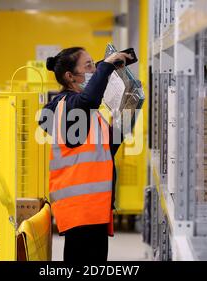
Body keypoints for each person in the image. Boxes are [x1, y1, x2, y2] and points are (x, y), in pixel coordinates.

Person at [38, 47, 132, 262]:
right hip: (80, 209)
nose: (94, 68)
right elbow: (87, 102)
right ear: (70, 77)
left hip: (94, 207)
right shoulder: (67, 107)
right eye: (89, 65)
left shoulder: (87, 113)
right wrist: (106, 67)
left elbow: (110, 146)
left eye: (95, 64)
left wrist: (129, 110)